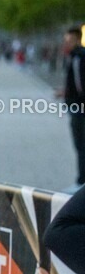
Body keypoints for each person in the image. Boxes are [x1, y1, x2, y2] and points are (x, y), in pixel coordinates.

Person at [56, 26, 85, 186]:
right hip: (77, 105)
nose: (66, 43)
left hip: (79, 108)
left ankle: (81, 181)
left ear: (76, 39)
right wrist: (65, 92)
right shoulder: (75, 57)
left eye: (68, 40)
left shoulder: (78, 57)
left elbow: (81, 85)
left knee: (81, 145)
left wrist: (72, 97)